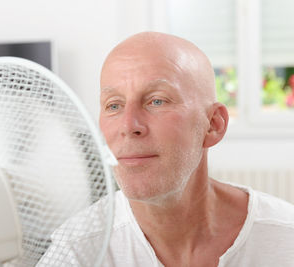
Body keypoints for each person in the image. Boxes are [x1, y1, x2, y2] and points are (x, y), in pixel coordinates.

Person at [39, 32, 294, 267]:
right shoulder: (76, 252)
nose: (129, 126)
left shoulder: (285, 237)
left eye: (157, 101)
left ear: (213, 125)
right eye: (114, 105)